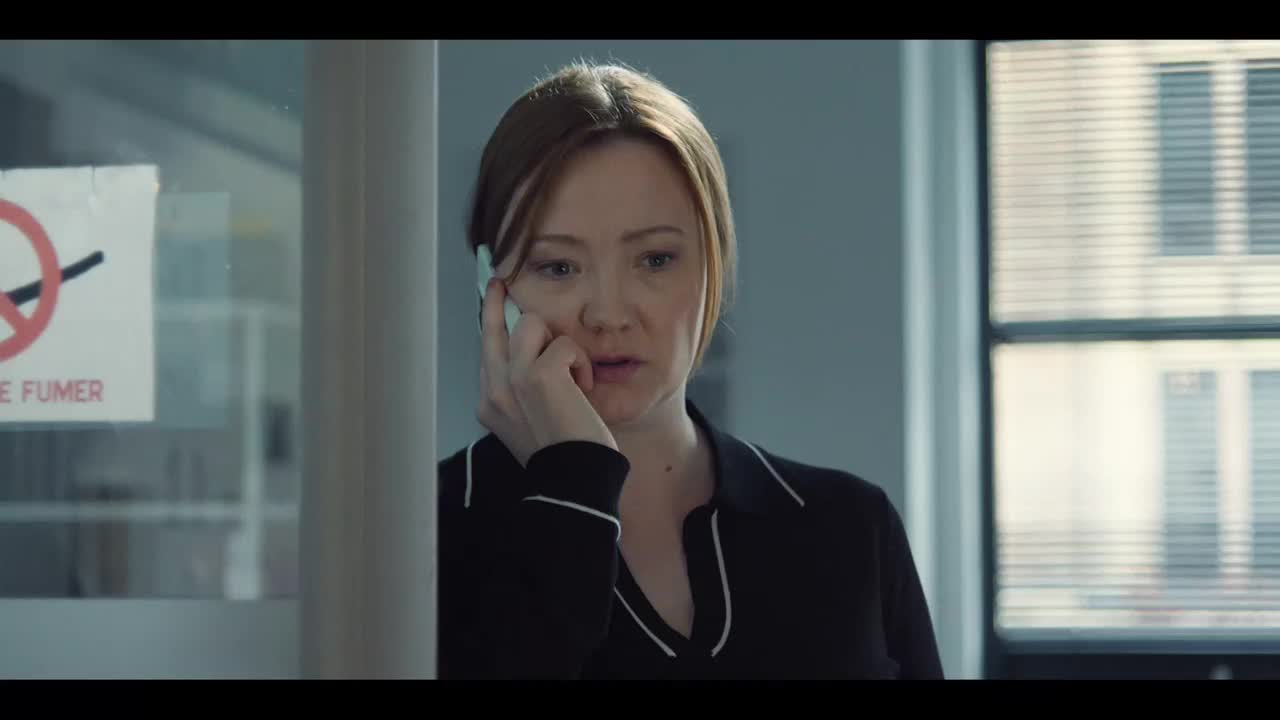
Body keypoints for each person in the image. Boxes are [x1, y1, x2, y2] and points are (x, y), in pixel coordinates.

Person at [436, 61, 943, 680]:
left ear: (714, 268)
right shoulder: (423, 530)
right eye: (558, 267)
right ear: (491, 287)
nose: (609, 314)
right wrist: (572, 487)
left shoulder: (850, 527)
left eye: (654, 259)